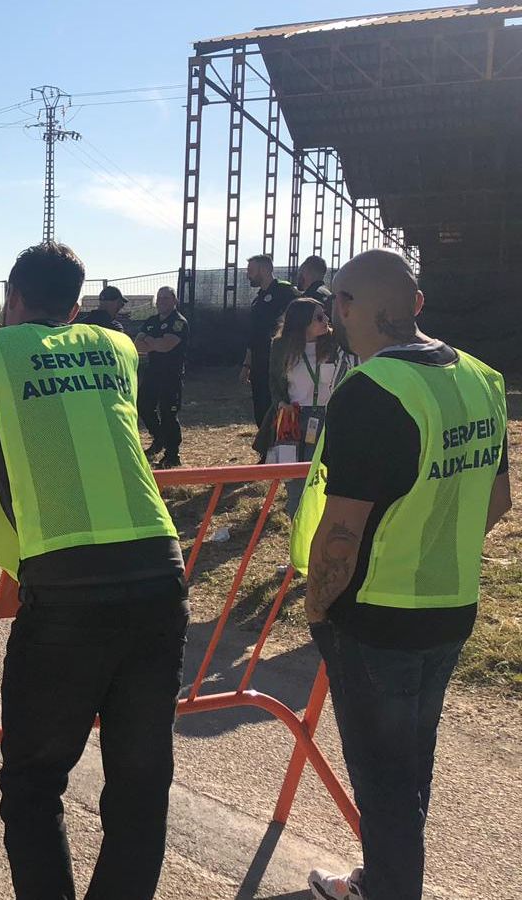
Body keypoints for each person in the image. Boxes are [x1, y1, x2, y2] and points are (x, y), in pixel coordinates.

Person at [0, 242, 187, 900]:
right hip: (159, 570)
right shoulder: (116, 347)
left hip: (69, 590)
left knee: (33, 785)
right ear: (77, 307)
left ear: (8, 296)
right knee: (139, 787)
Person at [291, 249, 510, 900]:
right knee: (412, 766)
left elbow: (342, 530)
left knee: (384, 782)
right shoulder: (482, 378)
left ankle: (387, 889)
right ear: (415, 305)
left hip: (377, 617)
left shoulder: (371, 390)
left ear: (347, 308)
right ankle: (385, 878)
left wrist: (316, 607)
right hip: (452, 603)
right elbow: (498, 502)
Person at [256, 298, 348, 516]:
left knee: (326, 476)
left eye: (325, 315)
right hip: (294, 420)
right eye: (318, 317)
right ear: (302, 321)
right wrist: (281, 403)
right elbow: (274, 381)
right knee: (295, 478)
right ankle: (297, 521)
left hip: (328, 417)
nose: (326, 320)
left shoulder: (336, 343)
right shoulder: (281, 346)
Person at [135, 286, 190, 469]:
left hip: (171, 375)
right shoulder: (151, 321)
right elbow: (137, 345)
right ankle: (159, 439)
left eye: (166, 298)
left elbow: (166, 346)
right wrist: (154, 343)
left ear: (174, 301)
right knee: (143, 406)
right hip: (153, 373)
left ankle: (172, 455)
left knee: (168, 413)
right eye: (159, 298)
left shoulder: (178, 322)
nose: (161, 302)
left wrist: (150, 341)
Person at [242, 253, 299, 425]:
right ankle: (265, 448)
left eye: (251, 270)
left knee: (278, 405)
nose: (247, 275)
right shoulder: (258, 299)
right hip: (260, 364)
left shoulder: (285, 291)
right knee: (261, 407)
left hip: (280, 361)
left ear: (265, 269)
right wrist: (247, 365)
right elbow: (253, 337)